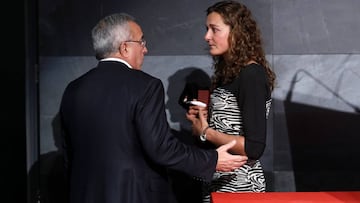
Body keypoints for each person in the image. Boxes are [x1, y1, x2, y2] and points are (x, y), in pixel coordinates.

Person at [59, 12, 248, 203]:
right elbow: (161, 148)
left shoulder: (73, 89)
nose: (145, 49)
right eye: (141, 41)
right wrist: (211, 160)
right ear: (124, 47)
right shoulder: (145, 85)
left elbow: (70, 155)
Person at [185, 1, 276, 202]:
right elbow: (222, 130)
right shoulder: (225, 75)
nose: (206, 37)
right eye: (206, 29)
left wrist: (206, 132)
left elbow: (254, 148)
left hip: (241, 187)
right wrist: (200, 121)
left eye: (214, 30)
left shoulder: (251, 75)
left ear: (236, 33)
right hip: (218, 183)